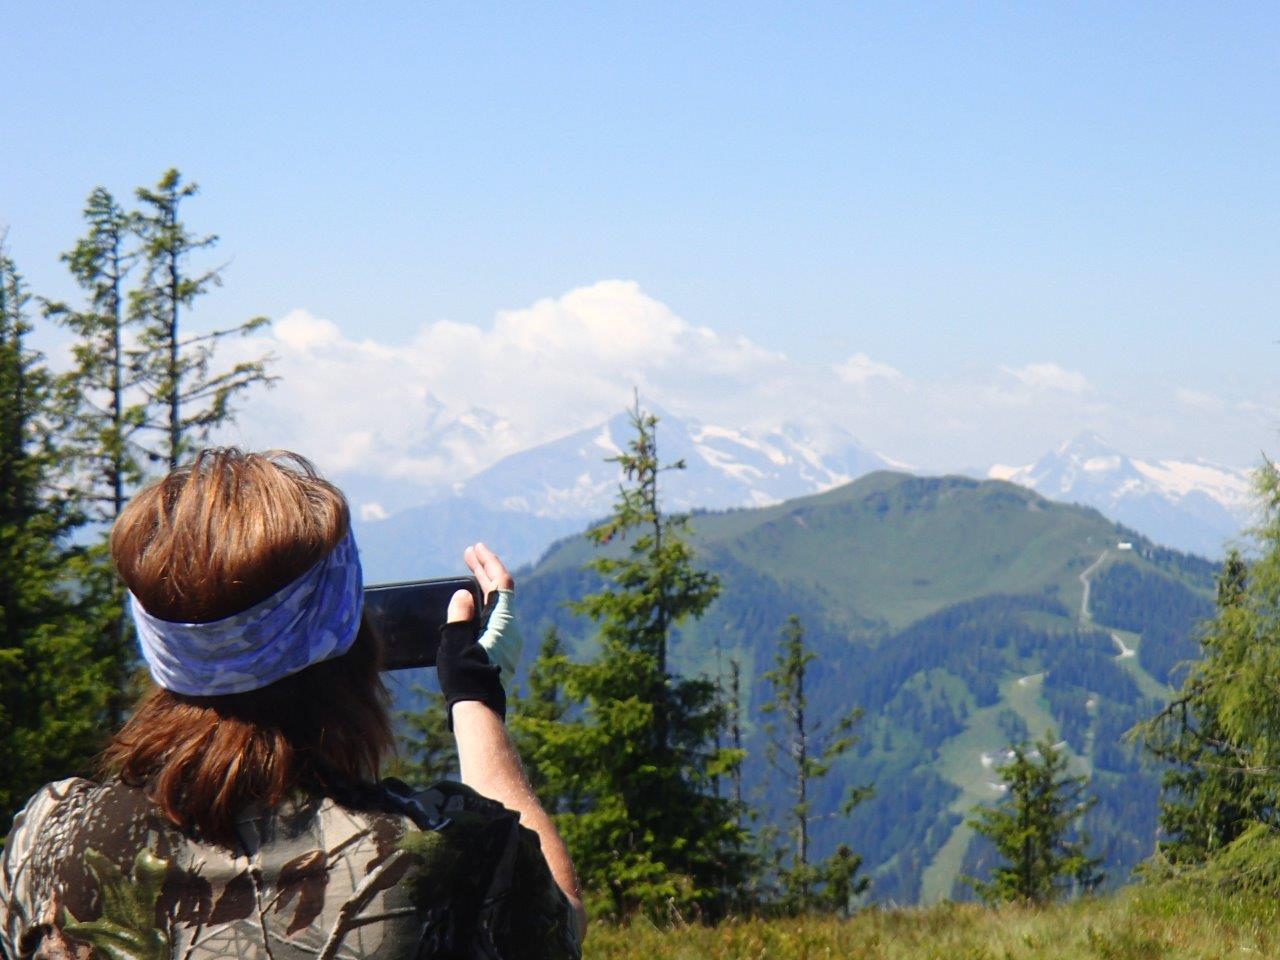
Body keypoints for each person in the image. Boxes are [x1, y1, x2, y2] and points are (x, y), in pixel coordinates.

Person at [0, 448, 585, 960]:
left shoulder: (51, 840)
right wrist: (474, 697)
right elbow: (556, 924)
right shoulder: (436, 852)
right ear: (349, 641)